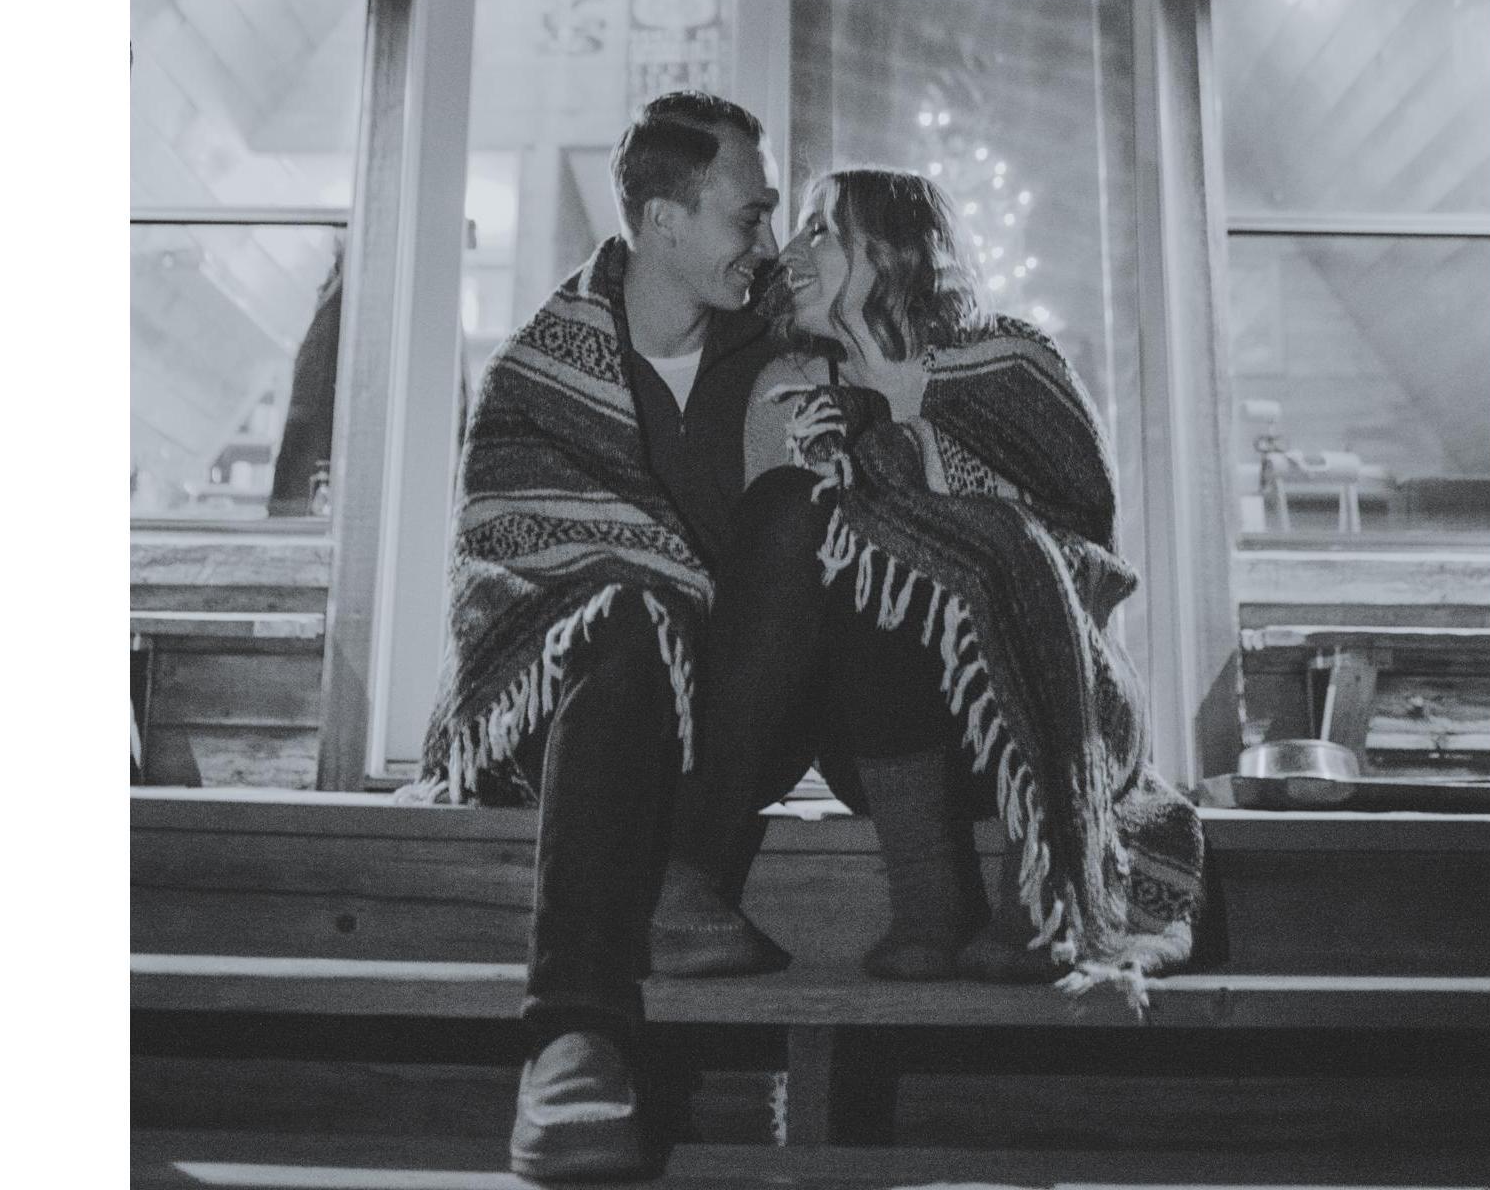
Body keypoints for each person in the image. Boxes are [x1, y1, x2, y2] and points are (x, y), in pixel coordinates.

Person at [654, 167, 1205, 1006]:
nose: (788, 253)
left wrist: (899, 456)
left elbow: (1083, 546)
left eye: (820, 230)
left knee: (888, 527)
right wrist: (847, 474)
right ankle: (906, 898)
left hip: (1023, 717)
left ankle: (1036, 883)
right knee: (804, 511)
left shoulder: (1011, 360)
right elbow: (778, 602)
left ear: (890, 250)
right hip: (873, 754)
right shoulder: (796, 390)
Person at [412, 91, 784, 1184]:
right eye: (748, 214)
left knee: (798, 523)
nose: (766, 241)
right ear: (664, 219)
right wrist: (643, 585)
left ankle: (672, 877)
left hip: (729, 718)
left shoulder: (776, 354)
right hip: (587, 706)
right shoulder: (538, 371)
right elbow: (500, 562)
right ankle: (574, 1037)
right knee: (621, 614)